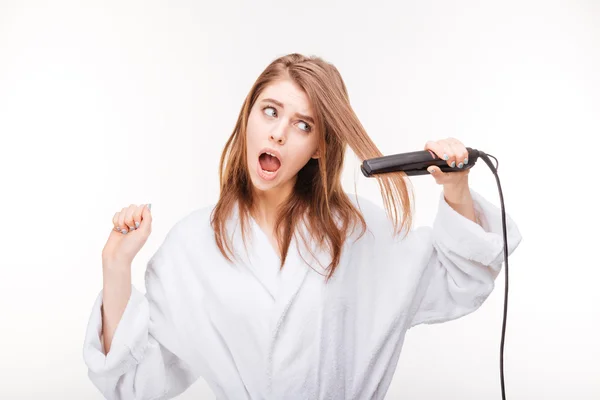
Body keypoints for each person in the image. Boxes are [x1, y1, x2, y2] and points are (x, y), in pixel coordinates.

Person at [82, 53, 522, 400]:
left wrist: (457, 188)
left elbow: (459, 283)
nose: (277, 134)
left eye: (302, 125)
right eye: (269, 112)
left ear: (318, 147)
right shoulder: (192, 245)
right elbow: (134, 384)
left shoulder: (361, 230)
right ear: (247, 118)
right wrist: (116, 267)